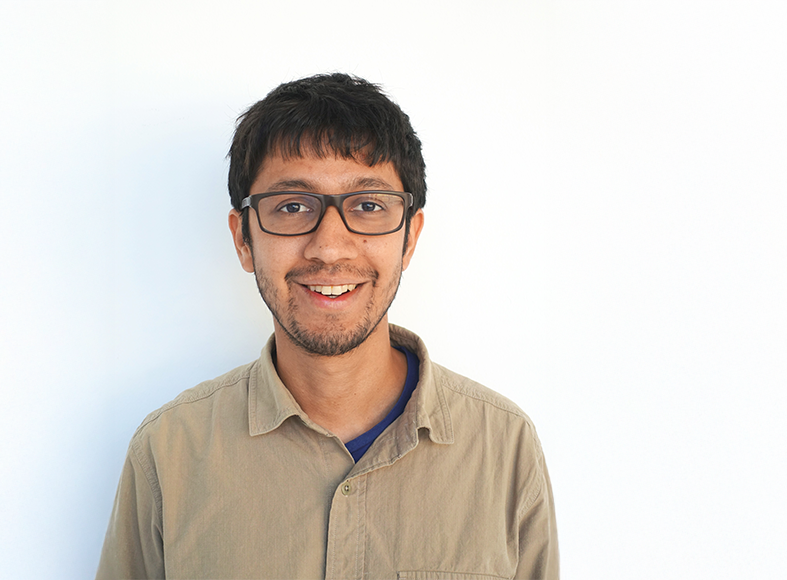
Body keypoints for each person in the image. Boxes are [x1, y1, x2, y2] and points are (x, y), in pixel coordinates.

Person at [95, 73, 557, 580]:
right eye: (293, 206)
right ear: (244, 239)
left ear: (409, 238)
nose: (330, 247)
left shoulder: (504, 446)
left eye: (368, 205)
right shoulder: (168, 452)